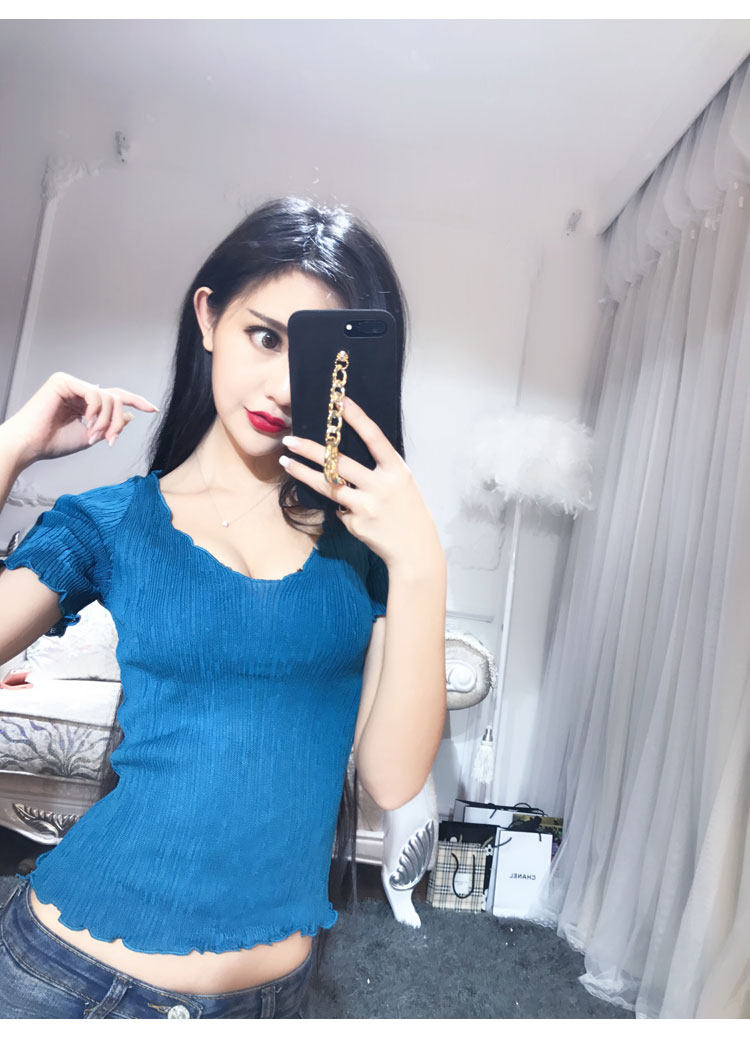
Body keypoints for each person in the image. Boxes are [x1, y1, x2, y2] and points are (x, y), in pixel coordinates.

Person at [0, 196, 447, 1019]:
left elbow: (391, 776)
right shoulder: (113, 521)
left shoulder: (368, 546)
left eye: (312, 358)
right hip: (69, 981)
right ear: (208, 317)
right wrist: (14, 443)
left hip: (265, 1001)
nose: (281, 385)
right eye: (265, 337)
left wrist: (422, 563)